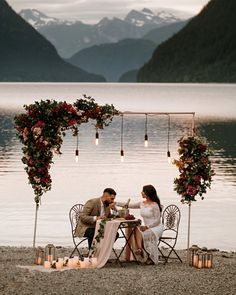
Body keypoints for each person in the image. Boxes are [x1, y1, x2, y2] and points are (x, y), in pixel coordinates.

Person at [117, 184, 163, 264]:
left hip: (156, 227)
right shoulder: (141, 203)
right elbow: (128, 205)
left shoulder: (154, 205)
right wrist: (116, 203)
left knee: (144, 232)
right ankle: (140, 249)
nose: (141, 192)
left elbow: (158, 221)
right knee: (136, 228)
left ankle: (149, 257)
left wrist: (147, 227)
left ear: (147, 193)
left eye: (142, 191)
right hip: (146, 227)